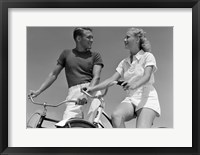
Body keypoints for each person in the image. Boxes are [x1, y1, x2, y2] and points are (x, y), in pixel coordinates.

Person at [85, 27, 161, 128]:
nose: (124, 40)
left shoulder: (147, 56)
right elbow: (111, 80)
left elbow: (147, 76)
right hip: (131, 98)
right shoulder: (124, 62)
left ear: (137, 39)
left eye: (127, 37)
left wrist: (134, 85)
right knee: (116, 116)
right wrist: (92, 88)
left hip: (147, 98)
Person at [29, 27, 104, 127]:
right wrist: (38, 91)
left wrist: (86, 94)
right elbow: (53, 74)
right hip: (73, 93)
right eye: (88, 37)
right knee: (66, 125)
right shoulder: (66, 54)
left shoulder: (95, 55)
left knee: (91, 125)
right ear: (78, 38)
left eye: (92, 37)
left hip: (91, 91)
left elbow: (96, 77)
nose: (92, 40)